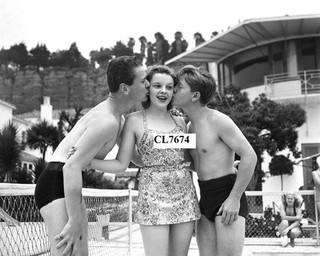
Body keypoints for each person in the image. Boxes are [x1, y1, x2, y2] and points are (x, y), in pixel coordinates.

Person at [34, 56, 149, 256]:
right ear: (125, 88)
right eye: (143, 80)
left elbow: (132, 159)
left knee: (79, 253)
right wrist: (74, 219)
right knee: (67, 253)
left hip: (67, 181)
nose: (148, 84)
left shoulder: (118, 118)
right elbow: (71, 166)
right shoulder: (106, 121)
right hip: (57, 181)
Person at [81, 65, 201, 256]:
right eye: (157, 86)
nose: (164, 91)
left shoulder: (181, 122)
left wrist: (226, 168)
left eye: (169, 87)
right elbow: (122, 163)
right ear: (148, 89)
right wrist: (88, 161)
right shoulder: (134, 121)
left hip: (185, 197)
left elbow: (186, 160)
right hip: (152, 199)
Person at [172, 65, 257, 256]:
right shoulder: (187, 126)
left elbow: (250, 156)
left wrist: (234, 198)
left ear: (195, 96)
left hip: (227, 194)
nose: (174, 89)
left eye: (180, 86)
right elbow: (194, 162)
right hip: (205, 196)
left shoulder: (219, 120)